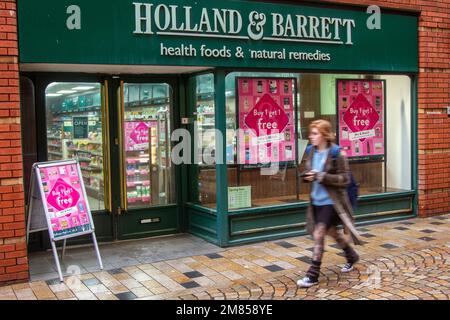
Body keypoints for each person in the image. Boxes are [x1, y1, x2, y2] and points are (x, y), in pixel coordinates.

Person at [297, 119, 363, 288]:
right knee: (333, 232)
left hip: (332, 203)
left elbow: (345, 179)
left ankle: (312, 275)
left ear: (324, 135)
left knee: (319, 234)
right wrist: (307, 176)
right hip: (316, 201)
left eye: (315, 133)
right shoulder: (311, 151)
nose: (311, 136)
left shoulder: (337, 153)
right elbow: (309, 170)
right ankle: (351, 256)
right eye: (311, 133)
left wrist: (320, 176)